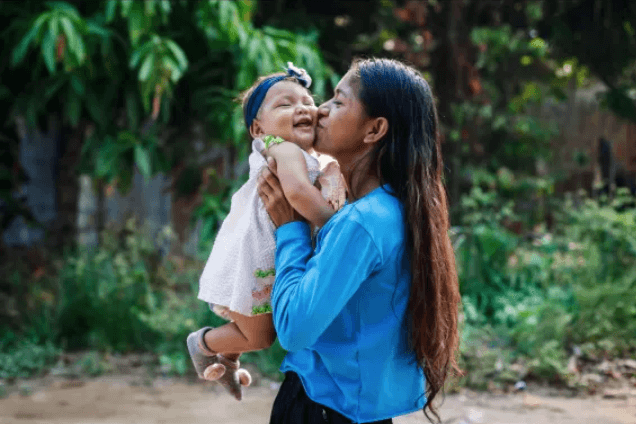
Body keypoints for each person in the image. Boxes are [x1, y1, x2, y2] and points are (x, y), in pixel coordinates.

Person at [258, 58, 461, 423]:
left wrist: (290, 228)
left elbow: (292, 329)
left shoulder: (362, 222)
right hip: (360, 413)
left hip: (321, 409)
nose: (319, 110)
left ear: (374, 130)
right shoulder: (392, 209)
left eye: (338, 102)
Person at [187, 63, 345, 401]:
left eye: (307, 100)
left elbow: (320, 175)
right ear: (258, 129)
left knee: (260, 326)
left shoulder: (302, 153)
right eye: (285, 104)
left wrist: (331, 171)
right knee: (259, 336)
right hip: (259, 254)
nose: (303, 107)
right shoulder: (284, 149)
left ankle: (228, 361)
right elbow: (300, 195)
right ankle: (203, 344)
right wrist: (339, 228)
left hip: (269, 252)